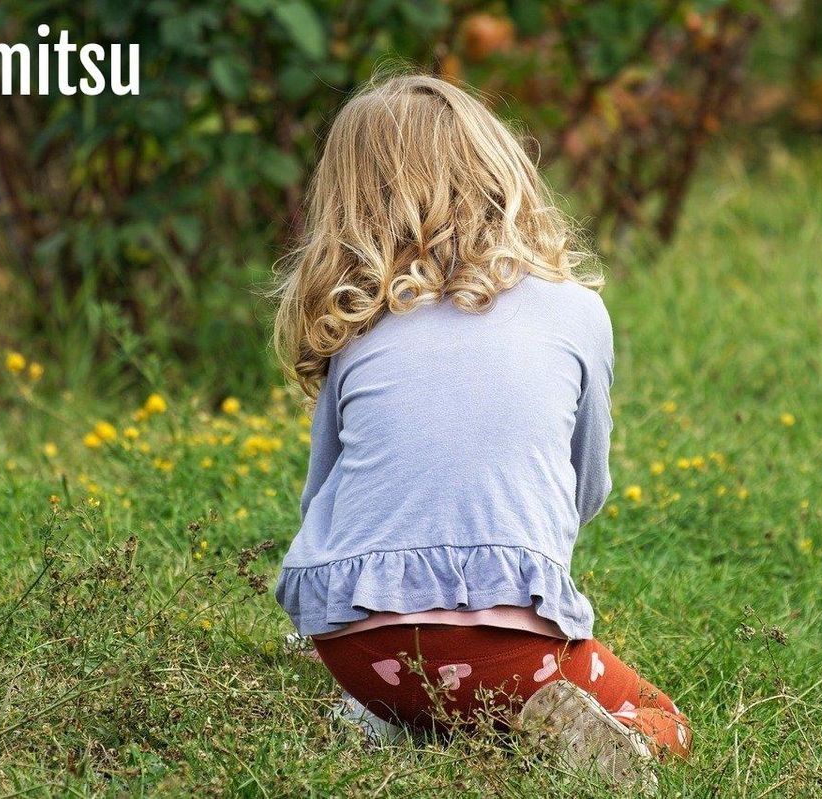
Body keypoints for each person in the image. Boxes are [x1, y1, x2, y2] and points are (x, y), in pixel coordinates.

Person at [271, 74, 690, 783]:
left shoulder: (360, 321)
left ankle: (389, 714)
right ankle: (608, 739)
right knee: (666, 716)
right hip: (509, 654)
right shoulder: (576, 310)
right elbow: (586, 488)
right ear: (502, 170)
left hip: (354, 650)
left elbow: (322, 504)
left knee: (414, 685)